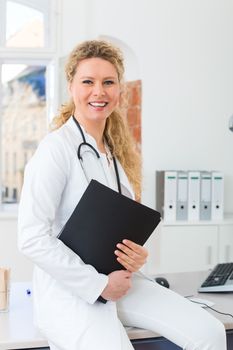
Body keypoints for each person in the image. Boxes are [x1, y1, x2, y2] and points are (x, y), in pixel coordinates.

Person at [18, 40, 226, 350]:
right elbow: (31, 237)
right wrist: (99, 284)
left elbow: (118, 228)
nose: (98, 91)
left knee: (209, 332)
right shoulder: (56, 150)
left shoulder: (113, 156)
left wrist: (136, 255)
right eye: (88, 81)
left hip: (121, 282)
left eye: (108, 82)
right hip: (71, 292)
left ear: (119, 90)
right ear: (72, 86)